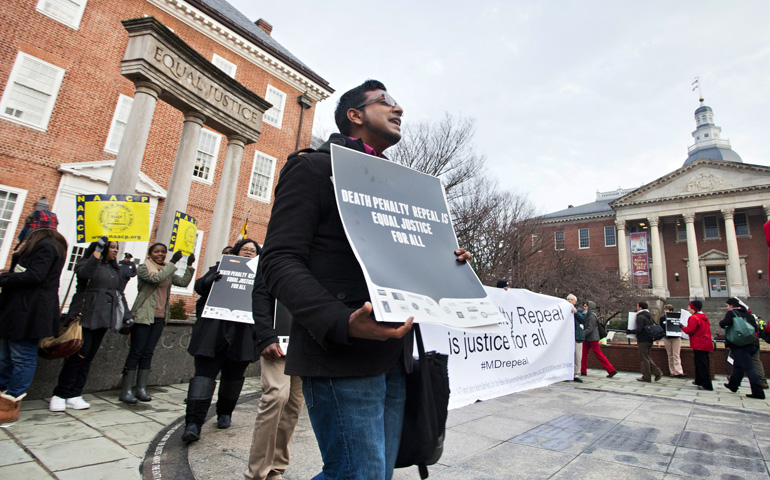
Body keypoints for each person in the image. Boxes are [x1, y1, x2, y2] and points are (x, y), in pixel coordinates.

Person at [260, 80, 472, 479]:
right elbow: (278, 260)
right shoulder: (312, 168)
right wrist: (339, 321)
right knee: (360, 475)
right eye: (385, 102)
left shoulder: (403, 189)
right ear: (355, 116)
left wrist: (447, 261)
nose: (399, 109)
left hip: (395, 358)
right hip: (341, 355)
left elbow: (405, 266)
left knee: (375, 474)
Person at [182, 238, 260, 443]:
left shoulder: (261, 274)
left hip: (243, 333)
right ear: (237, 251)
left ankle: (225, 413)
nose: (248, 253)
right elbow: (199, 286)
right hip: (214, 331)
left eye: (252, 250)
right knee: (203, 376)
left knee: (233, 378)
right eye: (245, 249)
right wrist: (210, 280)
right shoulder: (220, 267)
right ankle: (193, 423)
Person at [0, 209, 66, 424]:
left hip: (29, 311)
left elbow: (36, 276)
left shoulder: (46, 245)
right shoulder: (44, 244)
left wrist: (6, 279)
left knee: (21, 357)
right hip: (18, 309)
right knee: (5, 356)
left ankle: (10, 403)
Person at [49, 238, 129, 411]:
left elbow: (119, 293)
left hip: (103, 319)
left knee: (88, 358)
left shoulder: (114, 269)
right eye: (112, 247)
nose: (115, 251)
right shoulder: (88, 262)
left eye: (117, 248)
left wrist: (126, 315)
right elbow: (85, 274)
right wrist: (97, 253)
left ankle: (75, 392)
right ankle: (60, 393)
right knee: (77, 356)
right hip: (85, 316)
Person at [244, 256, 303, 480]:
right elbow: (260, 294)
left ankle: (277, 468)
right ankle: (257, 472)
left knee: (294, 406)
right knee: (277, 396)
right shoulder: (273, 251)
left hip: (304, 342)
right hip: (276, 341)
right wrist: (266, 336)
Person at [119, 243, 194, 403]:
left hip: (159, 317)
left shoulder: (167, 269)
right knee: (136, 352)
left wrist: (189, 267)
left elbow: (182, 283)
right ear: (150, 253)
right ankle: (125, 390)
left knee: (148, 352)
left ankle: (141, 388)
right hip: (144, 316)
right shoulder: (143, 268)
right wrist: (173, 263)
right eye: (157, 251)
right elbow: (156, 279)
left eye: (163, 252)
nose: (160, 254)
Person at [721, 297, 765, 399]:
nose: (727, 308)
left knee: (749, 368)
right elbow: (755, 327)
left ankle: (758, 392)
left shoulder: (732, 313)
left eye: (727, 305)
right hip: (752, 343)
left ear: (732, 305)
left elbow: (724, 324)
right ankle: (733, 385)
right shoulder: (747, 313)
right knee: (738, 365)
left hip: (740, 345)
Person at [626, 301, 663, 382]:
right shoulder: (649, 316)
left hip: (643, 339)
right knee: (646, 357)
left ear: (640, 307)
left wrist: (630, 331)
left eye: (637, 306)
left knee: (644, 358)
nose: (637, 307)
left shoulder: (640, 317)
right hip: (650, 338)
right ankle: (656, 372)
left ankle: (647, 376)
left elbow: (639, 329)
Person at [580, 301, 617, 378]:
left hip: (592, 338)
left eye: (586, 306)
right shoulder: (588, 315)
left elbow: (590, 328)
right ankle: (583, 370)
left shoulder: (592, 316)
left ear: (590, 307)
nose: (584, 307)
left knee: (598, 354)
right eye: (584, 306)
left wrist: (582, 334)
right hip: (588, 338)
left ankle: (611, 370)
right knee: (584, 355)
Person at [682, 300, 713, 390]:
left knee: (702, 364)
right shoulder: (704, 317)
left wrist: (682, 327)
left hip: (698, 343)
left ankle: (707, 384)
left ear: (693, 308)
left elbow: (690, 330)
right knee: (701, 363)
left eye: (689, 307)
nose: (688, 309)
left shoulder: (693, 318)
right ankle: (699, 380)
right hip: (705, 342)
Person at [659, 304, 685, 377]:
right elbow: (661, 328)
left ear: (671, 311)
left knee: (676, 355)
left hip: (676, 338)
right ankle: (672, 371)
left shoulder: (676, 317)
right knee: (670, 355)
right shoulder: (662, 319)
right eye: (665, 310)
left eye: (667, 310)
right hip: (667, 338)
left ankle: (679, 371)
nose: (665, 311)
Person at [567, 294, 586, 383]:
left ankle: (576, 374)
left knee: (577, 356)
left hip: (577, 337)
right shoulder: (564, 310)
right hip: (567, 337)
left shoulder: (579, 311)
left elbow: (584, 320)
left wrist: (576, 313)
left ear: (575, 302)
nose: (569, 301)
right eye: (568, 299)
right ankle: (567, 373)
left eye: (571, 299)